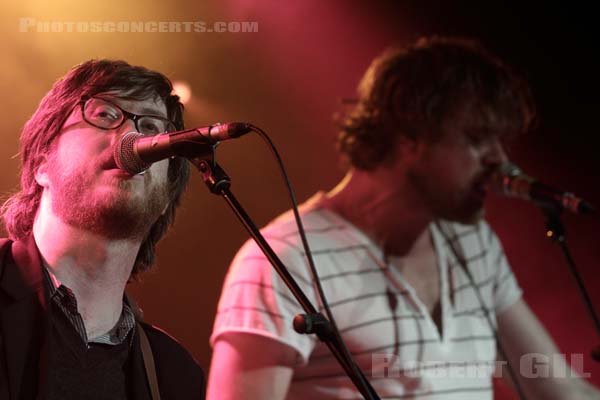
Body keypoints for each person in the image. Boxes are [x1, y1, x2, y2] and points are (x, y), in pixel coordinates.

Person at [207, 37, 600, 399]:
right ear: (410, 133)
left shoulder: (472, 242)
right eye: (477, 138)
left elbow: (559, 390)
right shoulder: (281, 259)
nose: (500, 159)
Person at [0, 60, 204, 399]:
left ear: (166, 196)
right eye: (106, 115)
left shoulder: (175, 376)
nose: (134, 136)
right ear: (41, 162)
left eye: (153, 128)